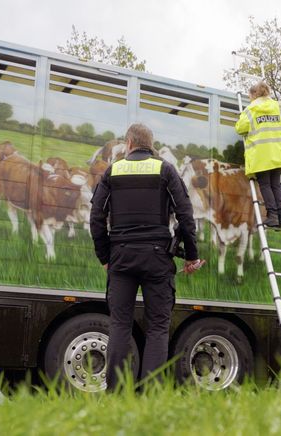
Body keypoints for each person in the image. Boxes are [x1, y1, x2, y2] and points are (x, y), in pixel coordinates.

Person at [90, 123, 203, 390]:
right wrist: (191, 255)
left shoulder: (112, 170)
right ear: (150, 144)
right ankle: (151, 393)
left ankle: (115, 393)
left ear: (129, 143)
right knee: (157, 328)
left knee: (119, 325)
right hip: (157, 258)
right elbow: (186, 215)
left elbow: (96, 217)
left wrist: (105, 256)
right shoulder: (165, 169)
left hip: (121, 256)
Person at [234, 81, 281, 228]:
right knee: (275, 184)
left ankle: (272, 215)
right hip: (278, 153)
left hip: (261, 155)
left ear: (253, 95)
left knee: (265, 185)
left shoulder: (251, 109)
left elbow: (240, 128)